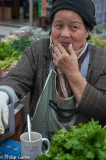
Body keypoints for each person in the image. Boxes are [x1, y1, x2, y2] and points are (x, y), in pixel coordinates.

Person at [0, 0, 106, 140]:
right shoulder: (37, 50)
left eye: (74, 27)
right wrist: (3, 94)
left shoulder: (101, 60)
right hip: (40, 143)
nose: (64, 34)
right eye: (59, 25)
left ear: (88, 31)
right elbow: (17, 78)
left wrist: (72, 73)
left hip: (81, 147)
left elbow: (102, 111)